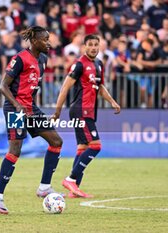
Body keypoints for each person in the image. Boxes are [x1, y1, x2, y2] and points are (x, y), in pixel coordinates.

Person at [0, 26, 63, 214]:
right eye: (45, 39)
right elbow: (2, 86)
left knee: (56, 141)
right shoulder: (20, 59)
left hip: (30, 108)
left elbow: (31, 87)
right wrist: (16, 105)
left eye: (49, 39)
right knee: (15, 149)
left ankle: (44, 187)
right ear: (35, 41)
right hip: (15, 109)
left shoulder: (43, 60)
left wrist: (32, 109)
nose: (49, 42)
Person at [53, 34, 120, 198]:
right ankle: (71, 179)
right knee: (96, 146)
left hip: (90, 111)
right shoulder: (79, 64)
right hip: (80, 110)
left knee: (82, 148)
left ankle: (74, 189)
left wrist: (112, 101)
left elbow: (100, 86)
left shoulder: (98, 64)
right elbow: (65, 87)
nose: (94, 48)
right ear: (84, 47)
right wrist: (57, 111)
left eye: (96, 45)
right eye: (90, 44)